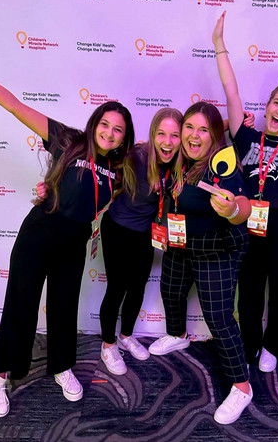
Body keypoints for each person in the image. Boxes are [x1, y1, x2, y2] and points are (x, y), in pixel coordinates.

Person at [0, 82, 134, 418]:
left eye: (118, 130)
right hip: (40, 232)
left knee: (63, 305)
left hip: (74, 242)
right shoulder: (67, 139)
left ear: (123, 137)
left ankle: (61, 366)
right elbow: (14, 105)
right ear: (94, 123)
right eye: (105, 124)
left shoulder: (118, 168)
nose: (110, 133)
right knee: (21, 303)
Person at [148, 101, 252, 425]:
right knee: (170, 289)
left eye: (203, 130)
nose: (194, 135)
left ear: (215, 135)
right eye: (188, 128)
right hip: (182, 243)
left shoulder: (223, 164)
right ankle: (178, 335)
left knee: (219, 318)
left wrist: (232, 209)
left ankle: (242, 386)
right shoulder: (181, 161)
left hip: (216, 250)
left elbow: (243, 204)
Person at [212, 11, 278, 372]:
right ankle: (249, 345)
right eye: (276, 103)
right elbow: (231, 92)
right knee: (248, 294)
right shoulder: (247, 135)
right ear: (266, 107)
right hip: (247, 223)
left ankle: (273, 346)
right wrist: (220, 46)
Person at [99, 108, 183, 375]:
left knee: (137, 288)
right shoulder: (137, 155)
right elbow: (98, 157)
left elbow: (201, 130)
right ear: (152, 135)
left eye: (175, 135)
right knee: (116, 288)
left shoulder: (178, 163)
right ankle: (108, 345)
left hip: (146, 234)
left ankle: (125, 335)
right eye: (161, 134)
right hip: (118, 229)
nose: (167, 142)